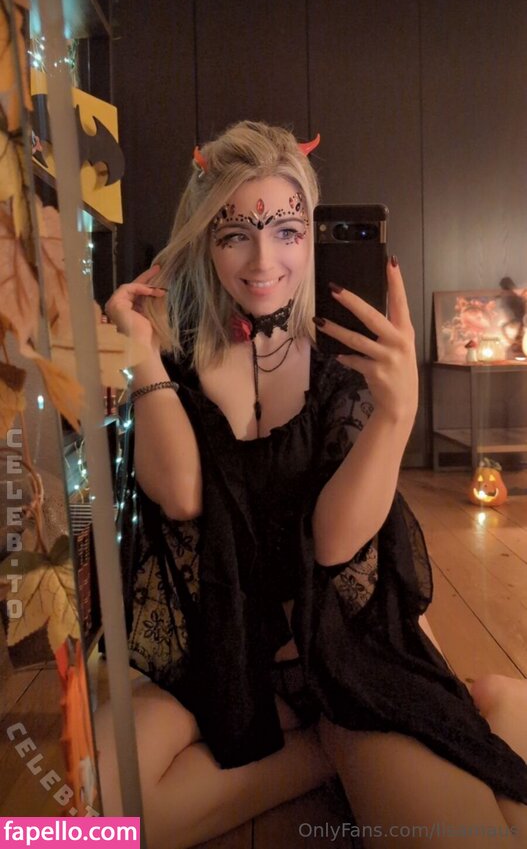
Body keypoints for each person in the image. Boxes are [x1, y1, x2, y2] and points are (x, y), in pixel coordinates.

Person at [100, 121, 527, 849]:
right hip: (224, 654)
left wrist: (397, 415)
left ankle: (416, 719)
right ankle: (345, 746)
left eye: (287, 232)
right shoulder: (169, 363)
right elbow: (180, 494)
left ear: (311, 235)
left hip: (345, 651)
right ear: (204, 240)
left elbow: (333, 545)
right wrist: (140, 356)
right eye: (235, 234)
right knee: (92, 813)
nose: (263, 260)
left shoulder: (343, 369)